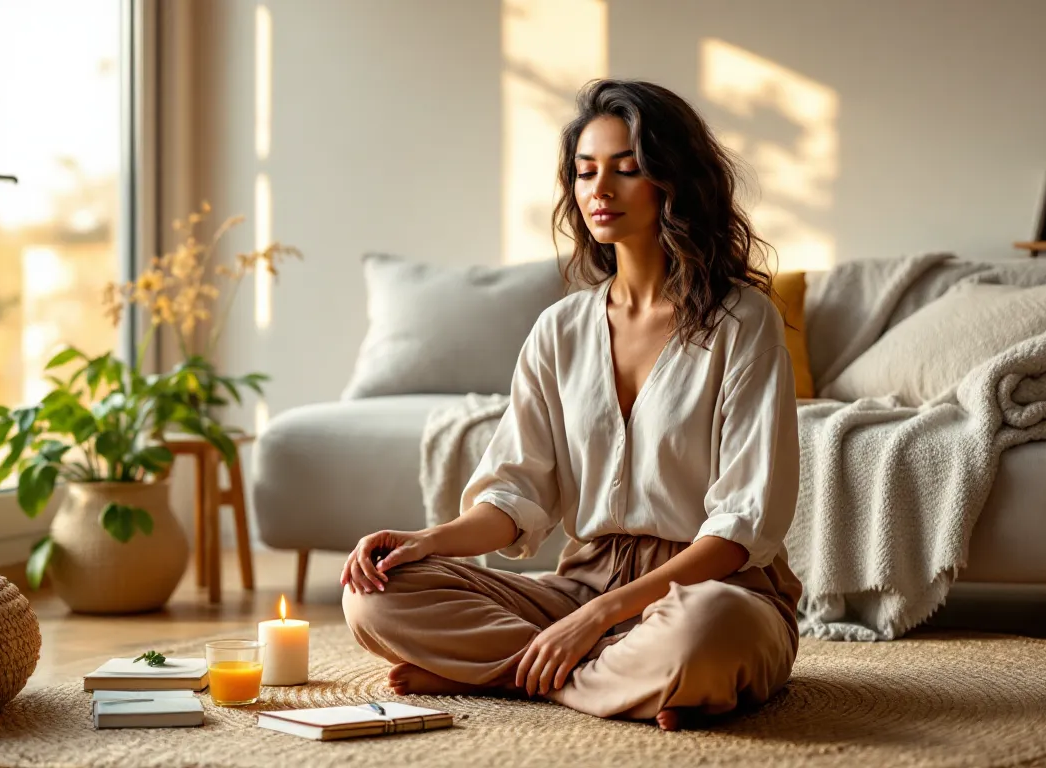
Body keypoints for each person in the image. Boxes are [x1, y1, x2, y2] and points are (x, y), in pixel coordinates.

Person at [340, 78, 802, 732]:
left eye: (626, 169)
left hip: (712, 591)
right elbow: (515, 498)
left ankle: (516, 674)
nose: (599, 191)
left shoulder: (741, 321)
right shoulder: (560, 330)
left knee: (706, 633)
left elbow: (739, 529)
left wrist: (597, 620)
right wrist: (425, 541)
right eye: (585, 172)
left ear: (675, 182)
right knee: (375, 602)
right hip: (580, 585)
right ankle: (611, 679)